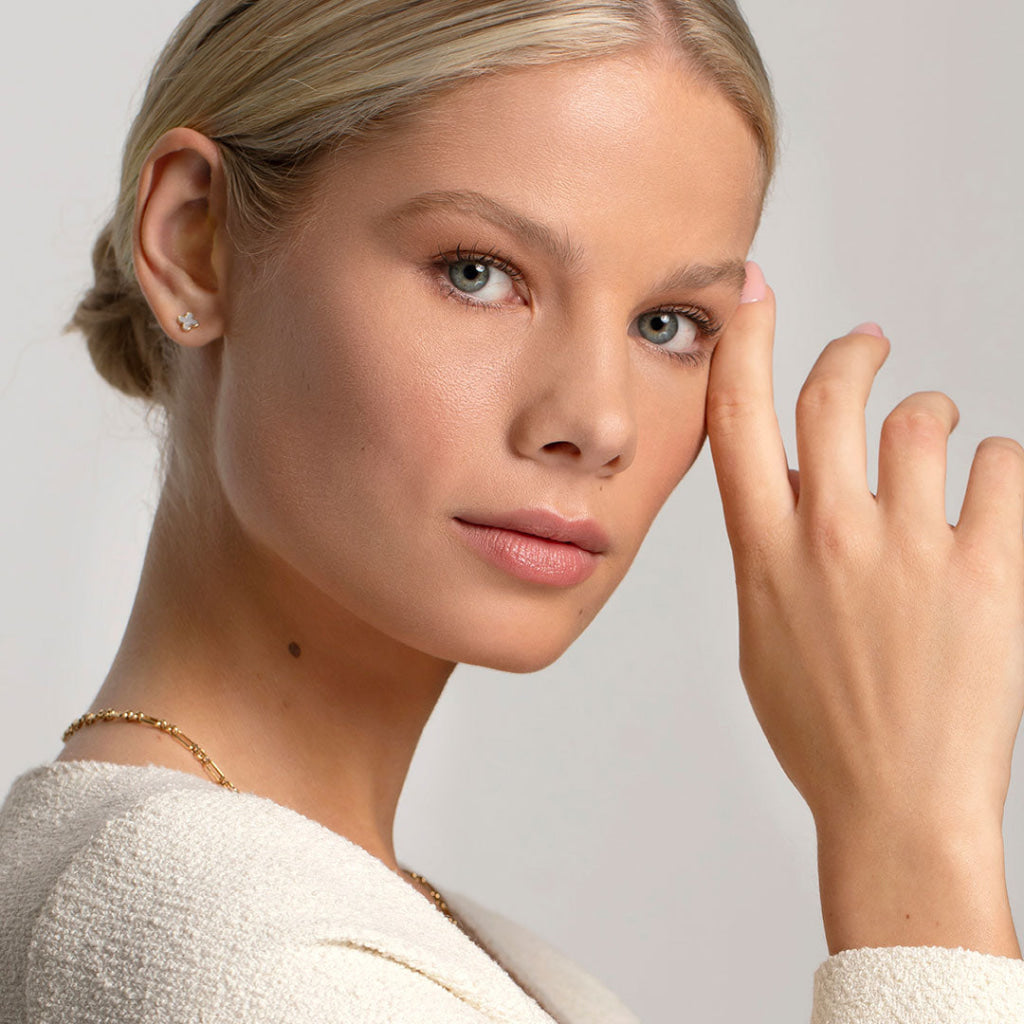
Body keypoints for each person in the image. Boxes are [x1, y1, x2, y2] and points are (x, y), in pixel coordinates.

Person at [1, 0, 1022, 1021]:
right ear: (193, 238)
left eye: (666, 324)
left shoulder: (352, 926)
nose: (595, 420)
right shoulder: (246, 959)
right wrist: (913, 845)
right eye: (478, 273)